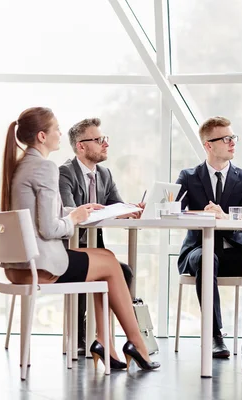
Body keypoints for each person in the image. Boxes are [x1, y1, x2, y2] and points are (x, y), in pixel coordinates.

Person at [0, 107, 159, 371]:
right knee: (109, 262)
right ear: (42, 136)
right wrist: (73, 220)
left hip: (17, 268)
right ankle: (136, 343)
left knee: (107, 265)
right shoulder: (46, 167)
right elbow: (50, 229)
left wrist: (73, 212)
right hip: (41, 267)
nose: (60, 133)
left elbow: (41, 214)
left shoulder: (22, 166)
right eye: (56, 129)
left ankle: (105, 342)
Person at [176, 116, 242, 358]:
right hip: (198, 251)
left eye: (233, 138)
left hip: (233, 250)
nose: (233, 143)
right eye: (226, 138)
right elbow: (174, 211)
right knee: (206, 257)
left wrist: (223, 217)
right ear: (208, 145)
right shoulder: (188, 177)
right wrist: (203, 214)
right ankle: (215, 336)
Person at [59, 117, 141, 356]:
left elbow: (115, 205)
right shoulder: (65, 172)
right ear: (81, 146)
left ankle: (105, 337)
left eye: (104, 139)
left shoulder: (104, 173)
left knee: (124, 271)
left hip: (96, 248)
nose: (105, 144)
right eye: (98, 140)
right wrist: (106, 210)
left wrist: (130, 209)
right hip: (70, 247)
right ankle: (80, 335)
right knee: (89, 275)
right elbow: (70, 211)